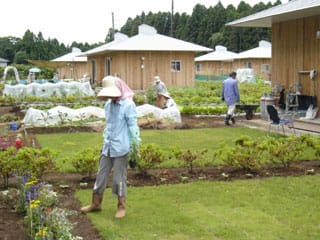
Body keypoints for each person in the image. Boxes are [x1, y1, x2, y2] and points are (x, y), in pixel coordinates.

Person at [80, 76, 140, 219]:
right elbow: (109, 125)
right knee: (101, 176)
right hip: (107, 146)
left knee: (119, 179)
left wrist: (135, 147)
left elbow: (133, 128)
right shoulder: (108, 105)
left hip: (121, 148)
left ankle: (121, 206)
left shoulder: (128, 105)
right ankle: (96, 204)